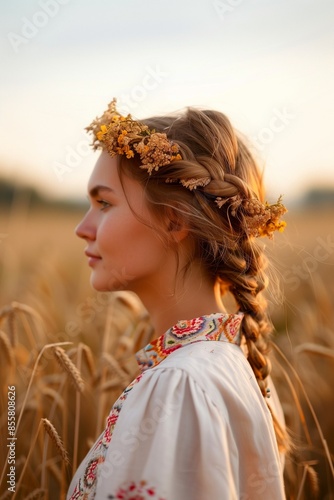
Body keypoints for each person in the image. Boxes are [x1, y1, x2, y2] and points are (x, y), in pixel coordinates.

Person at [68, 98, 288, 499]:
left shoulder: (179, 385)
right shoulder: (234, 367)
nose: (82, 228)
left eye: (104, 203)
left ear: (175, 219)